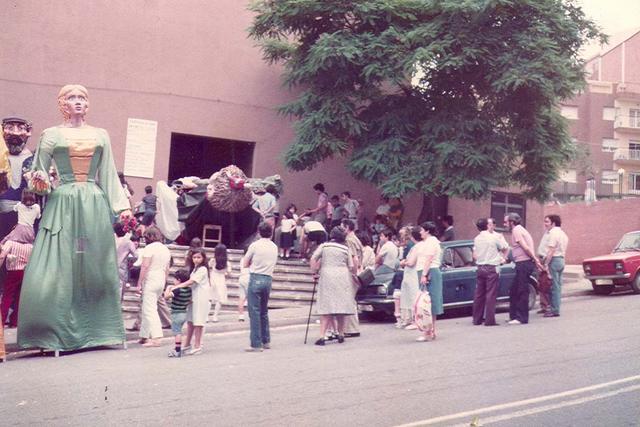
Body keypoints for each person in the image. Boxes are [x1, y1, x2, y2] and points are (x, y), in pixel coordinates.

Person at [18, 85, 131, 351]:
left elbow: (109, 173)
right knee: (58, 264)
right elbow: (39, 176)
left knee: (95, 263)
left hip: (93, 200)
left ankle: (99, 331)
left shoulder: (100, 135)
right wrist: (40, 181)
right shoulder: (51, 135)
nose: (78, 102)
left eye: (82, 98)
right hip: (63, 201)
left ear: (88, 104)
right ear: (62, 104)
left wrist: (122, 207)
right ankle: (52, 331)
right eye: (72, 98)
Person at [310, 227, 357, 345]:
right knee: (341, 306)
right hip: (342, 276)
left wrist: (314, 272)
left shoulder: (324, 246)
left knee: (326, 306)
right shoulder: (346, 249)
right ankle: (341, 334)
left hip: (327, 275)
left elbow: (313, 258)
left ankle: (322, 336)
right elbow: (351, 266)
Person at [243, 221, 278, 352]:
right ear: (271, 232)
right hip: (268, 278)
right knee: (264, 311)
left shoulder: (255, 245)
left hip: (256, 276)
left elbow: (245, 263)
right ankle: (266, 340)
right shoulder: (274, 246)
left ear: (259, 232)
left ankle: (256, 343)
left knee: (254, 312)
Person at [504, 213, 544, 325]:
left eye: (506, 222)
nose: (505, 224)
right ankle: (515, 316)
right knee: (514, 290)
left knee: (522, 290)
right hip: (521, 262)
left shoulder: (516, 230)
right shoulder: (519, 229)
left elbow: (525, 247)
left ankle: (522, 318)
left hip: (524, 263)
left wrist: (535, 260)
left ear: (512, 222)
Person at [0, 117, 34, 242]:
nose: (15, 132)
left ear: (28, 131)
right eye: (10, 128)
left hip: (26, 220)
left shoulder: (34, 159)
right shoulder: (1, 159)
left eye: (20, 128)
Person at [137, 226, 172, 347]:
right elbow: (167, 269)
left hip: (151, 279)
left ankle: (156, 337)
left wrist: (139, 283)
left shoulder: (149, 248)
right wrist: (164, 282)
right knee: (149, 306)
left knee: (149, 309)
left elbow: (145, 266)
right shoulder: (165, 249)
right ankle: (144, 335)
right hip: (161, 279)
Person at [173, 248, 211, 355]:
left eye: (199, 257)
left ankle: (198, 345)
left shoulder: (203, 269)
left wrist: (178, 286)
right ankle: (187, 343)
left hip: (201, 298)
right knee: (190, 321)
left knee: (198, 322)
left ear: (203, 258)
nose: (196, 259)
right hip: (194, 298)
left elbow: (191, 281)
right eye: (194, 257)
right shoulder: (195, 269)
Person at [472, 218, 508, 326]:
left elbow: (475, 253)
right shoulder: (493, 237)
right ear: (487, 226)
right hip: (492, 267)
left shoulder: (477, 238)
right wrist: (503, 259)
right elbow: (504, 247)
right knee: (491, 294)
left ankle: (477, 319)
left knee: (479, 294)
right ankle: (489, 320)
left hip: (480, 266)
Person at [0, 227, 34, 328]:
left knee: (7, 296)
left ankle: (1, 321)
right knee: (19, 298)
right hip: (25, 273)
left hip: (13, 272)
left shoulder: (10, 243)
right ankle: (14, 322)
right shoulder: (31, 246)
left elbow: (2, 256)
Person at [417, 221, 442, 342]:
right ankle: (430, 331)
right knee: (428, 302)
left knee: (427, 303)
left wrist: (424, 274)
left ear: (427, 231)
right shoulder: (429, 242)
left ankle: (428, 332)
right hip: (428, 271)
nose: (420, 232)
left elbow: (429, 259)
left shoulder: (431, 242)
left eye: (422, 230)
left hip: (429, 271)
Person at [398, 226, 426, 329]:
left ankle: (416, 321)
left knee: (413, 297)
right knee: (415, 296)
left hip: (412, 274)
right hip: (416, 273)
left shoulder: (416, 247)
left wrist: (403, 262)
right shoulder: (423, 246)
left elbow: (411, 262)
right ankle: (416, 319)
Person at [541, 215, 569, 318]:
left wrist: (546, 263)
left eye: (547, 222)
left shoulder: (553, 233)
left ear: (553, 223)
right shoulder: (563, 234)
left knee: (554, 287)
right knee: (558, 286)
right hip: (561, 260)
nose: (545, 224)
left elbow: (551, 250)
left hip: (554, 260)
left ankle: (554, 310)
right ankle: (555, 308)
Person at [340, 219, 363, 338]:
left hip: (352, 272)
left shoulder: (349, 240)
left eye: (342, 226)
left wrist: (354, 274)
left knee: (349, 300)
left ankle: (351, 328)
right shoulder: (356, 239)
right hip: (357, 271)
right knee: (350, 300)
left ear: (347, 227)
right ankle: (350, 328)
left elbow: (354, 259)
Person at [164, 269, 191, 357]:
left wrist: (168, 288)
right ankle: (177, 349)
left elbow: (166, 297)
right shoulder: (188, 289)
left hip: (176, 313)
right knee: (179, 331)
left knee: (177, 332)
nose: (173, 281)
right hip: (184, 313)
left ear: (179, 280)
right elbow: (190, 300)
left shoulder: (178, 290)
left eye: (174, 279)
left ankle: (177, 350)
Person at [114, 222, 137, 299]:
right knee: (120, 289)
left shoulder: (111, 240)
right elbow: (136, 256)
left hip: (109, 267)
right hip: (121, 268)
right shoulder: (128, 242)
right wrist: (131, 262)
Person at [210, 244, 230, 322]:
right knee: (219, 299)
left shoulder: (213, 260)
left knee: (210, 298)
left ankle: (206, 317)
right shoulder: (227, 263)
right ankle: (215, 316)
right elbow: (228, 272)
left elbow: (209, 266)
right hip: (221, 279)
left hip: (212, 278)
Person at [237, 254, 249, 322]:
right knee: (251, 297)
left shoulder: (242, 259)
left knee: (241, 298)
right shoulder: (251, 259)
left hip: (242, 277)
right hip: (249, 277)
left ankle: (241, 316)